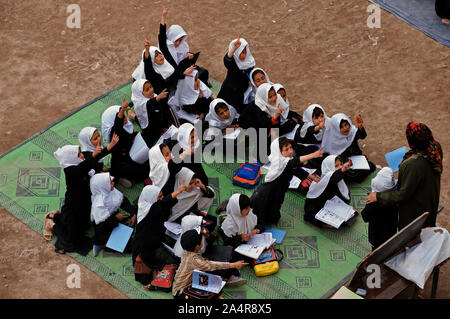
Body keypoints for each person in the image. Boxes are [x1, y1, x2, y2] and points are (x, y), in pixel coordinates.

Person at [366, 122, 443, 230]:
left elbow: (403, 194)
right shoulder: (435, 147)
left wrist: (378, 196)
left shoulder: (411, 165)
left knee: (415, 233)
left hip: (417, 209)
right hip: (431, 197)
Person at [48, 138, 118, 255]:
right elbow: (87, 164)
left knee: (84, 225)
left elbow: (93, 158)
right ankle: (52, 225)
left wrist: (110, 146)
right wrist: (94, 155)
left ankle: (56, 216)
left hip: (84, 200)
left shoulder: (79, 161)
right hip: (74, 204)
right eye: (78, 154)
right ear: (71, 158)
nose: (81, 155)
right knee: (71, 241)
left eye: (80, 152)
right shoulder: (71, 171)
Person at [251, 137, 323, 225]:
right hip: (268, 193)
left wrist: (313, 178)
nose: (290, 151)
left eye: (290, 148)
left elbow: (297, 170)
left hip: (278, 190)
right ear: (279, 152)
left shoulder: (286, 162)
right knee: (263, 213)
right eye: (286, 150)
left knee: (274, 213)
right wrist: (313, 155)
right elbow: (294, 162)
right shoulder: (281, 162)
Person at [132, 183, 187, 285]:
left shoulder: (149, 205)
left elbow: (164, 203)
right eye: (159, 196)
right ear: (151, 197)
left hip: (154, 241)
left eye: (161, 195)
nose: (161, 198)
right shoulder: (149, 209)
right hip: (145, 246)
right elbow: (163, 203)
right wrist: (179, 191)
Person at [172, 229, 248, 299]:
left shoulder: (188, 251)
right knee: (214, 293)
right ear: (198, 246)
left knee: (213, 276)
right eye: (201, 240)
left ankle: (225, 279)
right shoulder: (195, 260)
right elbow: (212, 265)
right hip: (181, 292)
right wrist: (233, 265)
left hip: (188, 282)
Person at [101, 99, 150, 187]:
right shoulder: (115, 133)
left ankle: (116, 172)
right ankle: (117, 175)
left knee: (149, 161)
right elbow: (117, 126)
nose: (124, 117)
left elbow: (131, 134)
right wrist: (123, 109)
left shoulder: (125, 126)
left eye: (123, 115)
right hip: (122, 162)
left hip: (131, 154)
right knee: (142, 173)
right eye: (121, 116)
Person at [158, 8, 210, 86]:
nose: (179, 43)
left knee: (203, 72)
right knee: (187, 80)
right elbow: (162, 35)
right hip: (172, 75)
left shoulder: (183, 45)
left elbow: (183, 57)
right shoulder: (165, 48)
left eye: (180, 40)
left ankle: (204, 84)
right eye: (176, 40)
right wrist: (163, 16)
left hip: (183, 67)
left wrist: (189, 54)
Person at [90, 172, 137, 256]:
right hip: (104, 228)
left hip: (113, 219)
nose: (113, 183)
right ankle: (101, 244)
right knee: (129, 247)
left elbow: (123, 201)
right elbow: (102, 225)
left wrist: (133, 214)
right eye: (110, 183)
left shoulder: (110, 191)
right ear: (102, 186)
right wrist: (116, 218)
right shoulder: (98, 204)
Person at [238, 83, 288, 162]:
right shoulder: (257, 106)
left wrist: (272, 128)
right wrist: (275, 117)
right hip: (249, 125)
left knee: (273, 138)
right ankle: (256, 154)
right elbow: (264, 122)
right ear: (263, 97)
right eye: (270, 97)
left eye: (274, 94)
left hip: (263, 123)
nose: (274, 98)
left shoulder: (276, 101)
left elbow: (275, 120)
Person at [321, 113, 376, 183]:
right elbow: (332, 157)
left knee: (370, 166)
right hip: (344, 163)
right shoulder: (332, 139)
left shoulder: (352, 132)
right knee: (349, 173)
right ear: (336, 128)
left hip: (357, 159)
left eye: (346, 125)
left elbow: (362, 136)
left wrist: (360, 127)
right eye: (341, 127)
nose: (345, 128)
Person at [304, 155, 352, 228]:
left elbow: (340, 194)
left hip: (330, 203)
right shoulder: (324, 180)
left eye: (340, 164)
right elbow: (333, 178)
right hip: (317, 206)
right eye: (336, 166)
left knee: (348, 218)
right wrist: (343, 168)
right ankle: (324, 224)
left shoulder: (337, 178)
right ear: (328, 167)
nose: (339, 167)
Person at [361, 167, 398, 250]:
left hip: (376, 236)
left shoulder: (373, 202)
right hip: (391, 233)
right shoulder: (393, 197)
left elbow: (365, 217)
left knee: (376, 251)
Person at [131, 79, 174, 147]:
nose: (151, 90)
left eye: (151, 87)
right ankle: (132, 116)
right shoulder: (140, 105)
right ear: (140, 93)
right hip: (150, 127)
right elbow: (149, 105)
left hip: (157, 122)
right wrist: (160, 131)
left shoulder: (154, 96)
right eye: (147, 90)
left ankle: (132, 115)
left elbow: (161, 111)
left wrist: (165, 127)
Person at [217, 37, 255, 113]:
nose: (243, 56)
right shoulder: (234, 62)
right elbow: (227, 60)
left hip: (241, 91)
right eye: (240, 53)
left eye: (244, 52)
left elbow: (251, 73)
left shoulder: (250, 62)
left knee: (236, 110)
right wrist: (234, 48)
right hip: (229, 90)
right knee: (222, 107)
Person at [294, 104, 329, 170]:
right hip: (304, 148)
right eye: (316, 118)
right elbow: (311, 130)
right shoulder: (307, 126)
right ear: (310, 118)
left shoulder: (325, 122)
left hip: (315, 145)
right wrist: (318, 127)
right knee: (321, 159)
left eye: (321, 116)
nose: (320, 120)